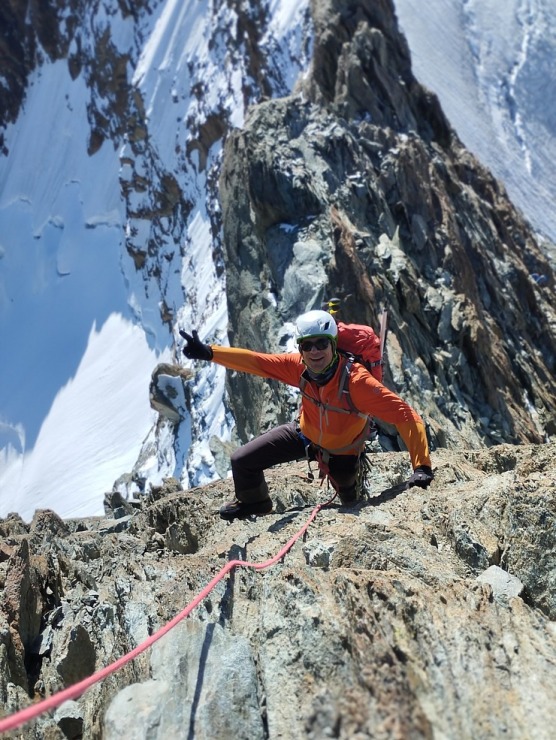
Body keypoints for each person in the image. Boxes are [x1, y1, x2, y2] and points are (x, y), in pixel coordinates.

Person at [180, 310, 433, 519]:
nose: (315, 351)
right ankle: (254, 502)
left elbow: (405, 415)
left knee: (349, 499)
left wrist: (421, 465)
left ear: (333, 344)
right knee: (242, 460)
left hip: (344, 451)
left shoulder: (356, 382)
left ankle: (351, 491)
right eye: (307, 345)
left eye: (322, 343)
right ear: (300, 349)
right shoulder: (298, 368)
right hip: (304, 435)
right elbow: (257, 362)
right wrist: (210, 353)